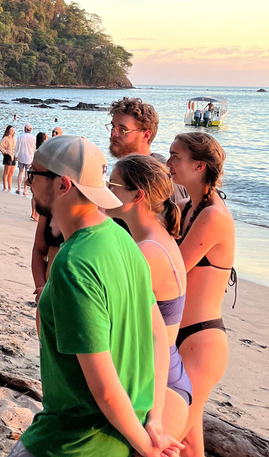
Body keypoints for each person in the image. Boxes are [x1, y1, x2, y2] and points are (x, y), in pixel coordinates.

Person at [13, 135, 182, 457]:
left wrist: (148, 446)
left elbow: (104, 389)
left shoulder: (73, 264)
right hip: (126, 432)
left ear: (62, 185)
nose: (30, 182)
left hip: (74, 441)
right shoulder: (122, 238)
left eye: (34, 175)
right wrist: (154, 422)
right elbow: (159, 338)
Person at [107, 155, 192, 440]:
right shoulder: (157, 239)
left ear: (137, 195)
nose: (106, 191)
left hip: (158, 386)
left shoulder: (146, 252)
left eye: (113, 185)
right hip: (165, 375)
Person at [167, 132, 235, 457]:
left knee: (165, 440)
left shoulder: (213, 216)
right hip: (179, 338)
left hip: (201, 341)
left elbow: (173, 270)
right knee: (189, 446)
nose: (168, 163)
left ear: (199, 166)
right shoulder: (186, 207)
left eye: (175, 157)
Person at [106, 97, 187, 207]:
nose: (113, 134)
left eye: (123, 130)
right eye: (113, 127)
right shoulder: (126, 171)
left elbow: (176, 214)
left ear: (146, 135)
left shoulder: (157, 175)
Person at [13, 123, 36, 196]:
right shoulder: (33, 138)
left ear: (25, 129)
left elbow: (16, 147)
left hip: (21, 156)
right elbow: (34, 149)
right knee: (27, 174)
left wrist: (15, 155)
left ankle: (19, 188)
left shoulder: (20, 136)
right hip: (29, 157)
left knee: (20, 172)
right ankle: (25, 190)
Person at [30, 132, 48, 220]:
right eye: (47, 137)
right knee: (39, 195)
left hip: (34, 172)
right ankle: (36, 215)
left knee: (34, 195)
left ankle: (33, 213)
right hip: (39, 173)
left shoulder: (37, 150)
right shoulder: (44, 150)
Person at [0, 126, 16, 191]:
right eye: (11, 130)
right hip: (8, 156)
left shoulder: (14, 138)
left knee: (11, 172)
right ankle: (5, 186)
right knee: (6, 172)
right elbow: (0, 146)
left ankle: (10, 186)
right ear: (8, 130)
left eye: (13, 130)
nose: (12, 131)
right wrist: (5, 152)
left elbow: (16, 147)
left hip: (13, 155)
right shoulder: (5, 138)